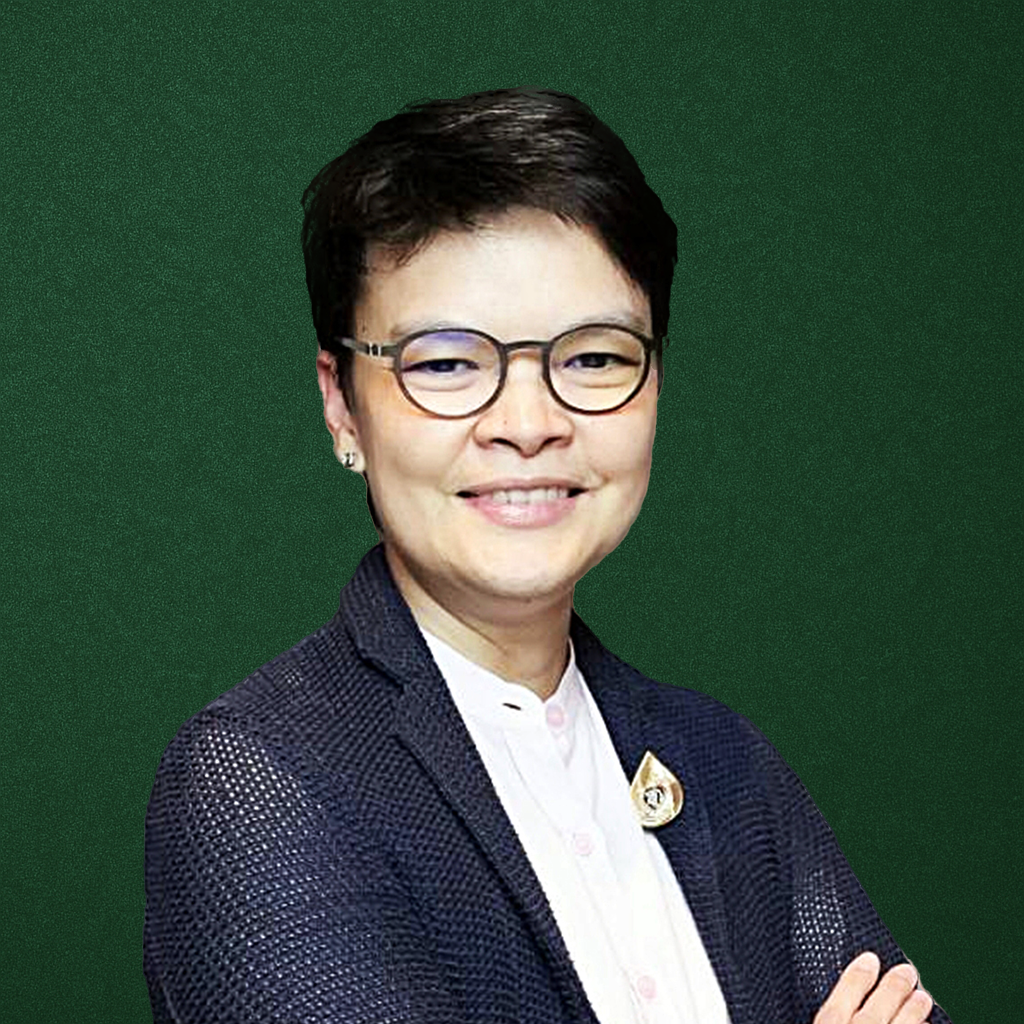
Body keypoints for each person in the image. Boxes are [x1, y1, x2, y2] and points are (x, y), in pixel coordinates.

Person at [144, 88, 950, 1023]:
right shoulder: (261, 775)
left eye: (594, 359)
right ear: (341, 405)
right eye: (446, 363)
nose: (528, 424)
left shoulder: (727, 766)